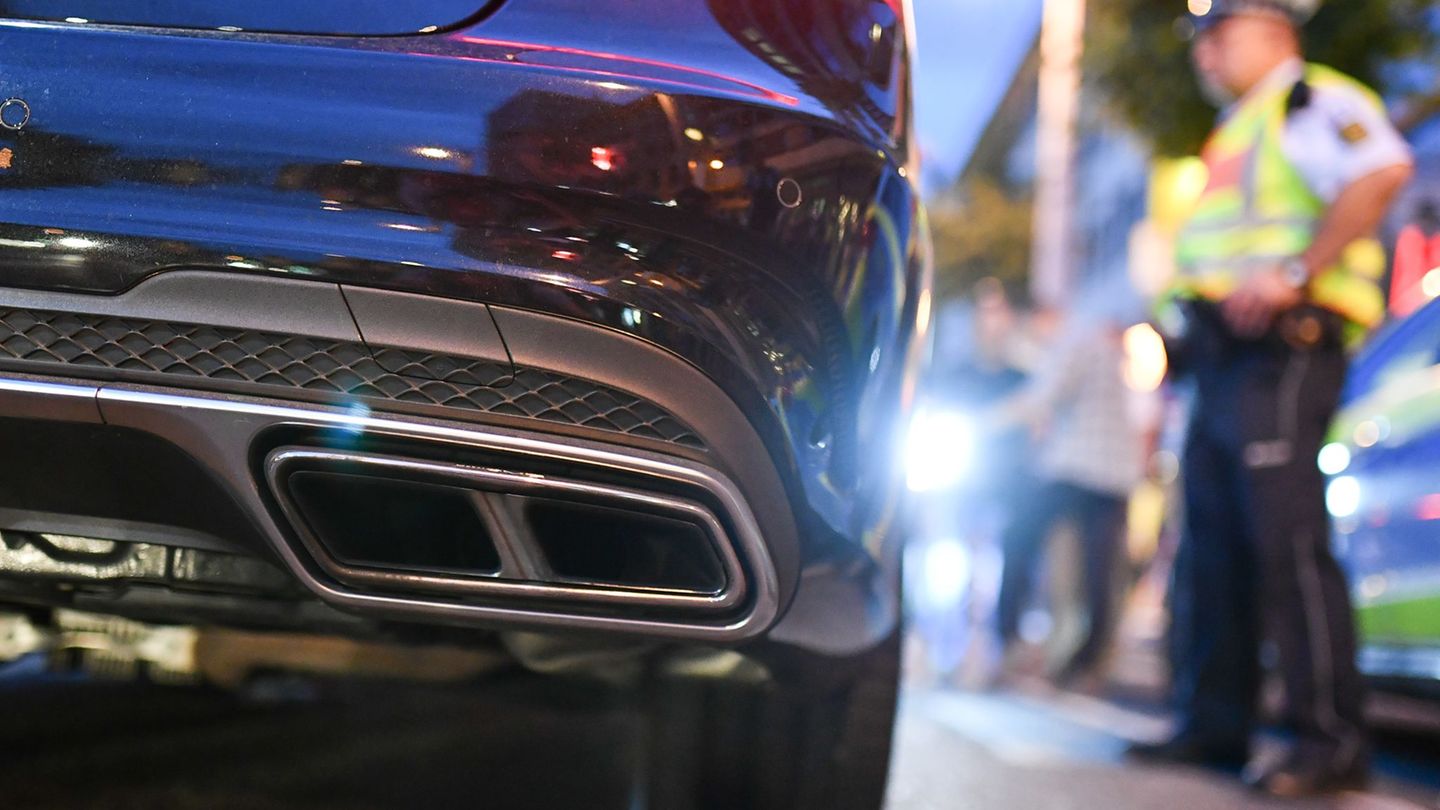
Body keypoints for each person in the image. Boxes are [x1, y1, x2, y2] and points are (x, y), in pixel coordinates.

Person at [1129, 0, 1414, 797]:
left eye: (1221, 32)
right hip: (1220, 358)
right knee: (1211, 546)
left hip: (1284, 348)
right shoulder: (1240, 128)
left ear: (1274, 31)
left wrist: (1295, 274)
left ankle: (1329, 740)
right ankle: (1214, 727)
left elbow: (1384, 170)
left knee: (1286, 544)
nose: (1203, 50)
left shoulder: (1309, 100)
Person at [994, 311, 1150, 687]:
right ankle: (1089, 663)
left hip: (1072, 468)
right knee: (1102, 572)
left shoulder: (1079, 340)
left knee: (1017, 541)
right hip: (1118, 475)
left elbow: (1043, 397)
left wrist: (982, 421)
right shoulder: (1134, 353)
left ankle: (1008, 638)